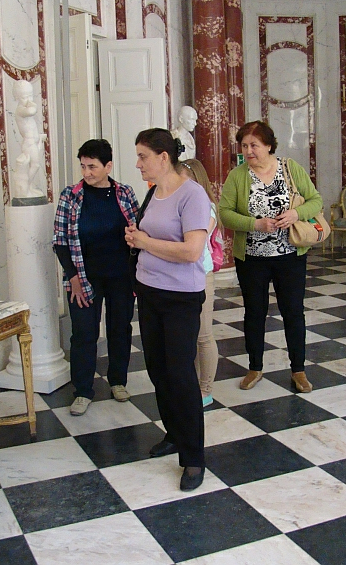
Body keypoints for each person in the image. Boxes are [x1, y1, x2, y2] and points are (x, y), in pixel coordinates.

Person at [124, 128, 210, 491]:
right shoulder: (153, 192)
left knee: (181, 375)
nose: (138, 164)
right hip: (149, 292)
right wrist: (136, 239)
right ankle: (174, 434)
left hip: (180, 298)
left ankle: (193, 459)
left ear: (163, 157)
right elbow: (148, 239)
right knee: (158, 370)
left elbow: (192, 251)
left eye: (143, 156)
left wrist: (145, 242)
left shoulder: (192, 195)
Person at [219, 120, 322, 393]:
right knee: (254, 313)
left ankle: (298, 370)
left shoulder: (290, 168)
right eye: (244, 146)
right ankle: (255, 367)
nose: (248, 151)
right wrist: (255, 224)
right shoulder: (237, 176)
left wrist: (296, 214)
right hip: (251, 258)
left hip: (290, 254)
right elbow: (225, 213)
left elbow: (316, 200)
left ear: (268, 145)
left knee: (293, 312)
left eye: (254, 145)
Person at [53, 139, 139, 416]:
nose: (86, 172)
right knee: (83, 334)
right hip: (83, 277)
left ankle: (118, 381)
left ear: (108, 166)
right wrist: (73, 278)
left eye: (92, 166)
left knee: (120, 329)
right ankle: (82, 390)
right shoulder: (70, 196)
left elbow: (138, 232)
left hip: (120, 276)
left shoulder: (125, 193)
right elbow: (60, 241)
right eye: (83, 166)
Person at [178, 158, 219, 407]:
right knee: (189, 336)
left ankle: (206, 390)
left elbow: (192, 240)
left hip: (201, 274)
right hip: (181, 277)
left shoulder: (207, 207)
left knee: (203, 335)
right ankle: (192, 386)